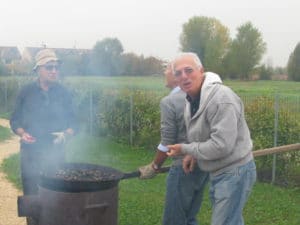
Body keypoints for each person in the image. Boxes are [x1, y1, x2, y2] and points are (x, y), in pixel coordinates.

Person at [167, 52, 257, 225]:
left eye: (188, 70)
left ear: (201, 71)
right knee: (231, 220)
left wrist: (185, 149)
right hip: (220, 171)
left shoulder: (221, 98)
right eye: (178, 73)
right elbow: (204, 134)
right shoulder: (192, 99)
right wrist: (194, 155)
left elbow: (222, 145)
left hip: (235, 171)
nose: (184, 76)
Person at [10, 48, 77, 225]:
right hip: (30, 155)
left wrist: (66, 134)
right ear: (38, 70)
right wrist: (22, 134)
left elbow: (75, 123)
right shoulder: (26, 92)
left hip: (56, 155)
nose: (54, 71)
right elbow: (15, 121)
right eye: (49, 67)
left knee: (56, 200)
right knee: (33, 200)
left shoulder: (64, 93)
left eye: (56, 67)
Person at [139, 62, 208, 225]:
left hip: (182, 168)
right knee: (189, 217)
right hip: (203, 165)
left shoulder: (169, 101)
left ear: (177, 78)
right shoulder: (202, 95)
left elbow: (167, 142)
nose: (165, 72)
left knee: (174, 220)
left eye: (169, 70)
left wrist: (154, 166)